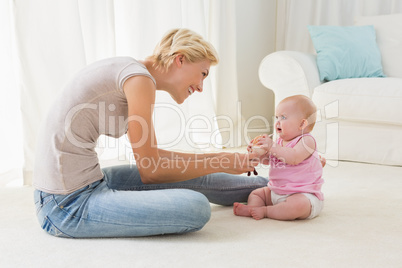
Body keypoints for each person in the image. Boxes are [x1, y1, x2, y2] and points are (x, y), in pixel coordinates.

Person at [33, 28, 268, 238]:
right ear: (180, 59)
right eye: (203, 74)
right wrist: (220, 160)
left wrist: (228, 160)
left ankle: (274, 186)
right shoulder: (139, 80)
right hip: (66, 204)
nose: (200, 86)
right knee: (195, 206)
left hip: (90, 182)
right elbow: (151, 171)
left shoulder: (136, 73)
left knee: (194, 176)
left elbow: (153, 160)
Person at [233, 95, 324, 221]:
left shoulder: (307, 141)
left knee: (298, 206)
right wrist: (257, 154)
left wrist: (272, 146)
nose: (277, 122)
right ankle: (253, 208)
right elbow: (269, 161)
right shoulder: (279, 142)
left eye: (284, 117)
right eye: (277, 117)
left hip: (302, 194)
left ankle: (266, 211)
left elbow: (294, 157)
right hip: (276, 191)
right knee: (256, 194)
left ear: (302, 124)